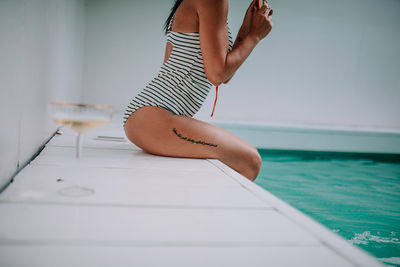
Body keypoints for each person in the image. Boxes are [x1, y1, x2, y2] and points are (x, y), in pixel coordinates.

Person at [124, 0, 273, 181]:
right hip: (152, 117)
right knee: (250, 161)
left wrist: (246, 31)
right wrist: (255, 37)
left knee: (247, 161)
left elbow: (225, 76)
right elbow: (217, 75)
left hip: (150, 116)